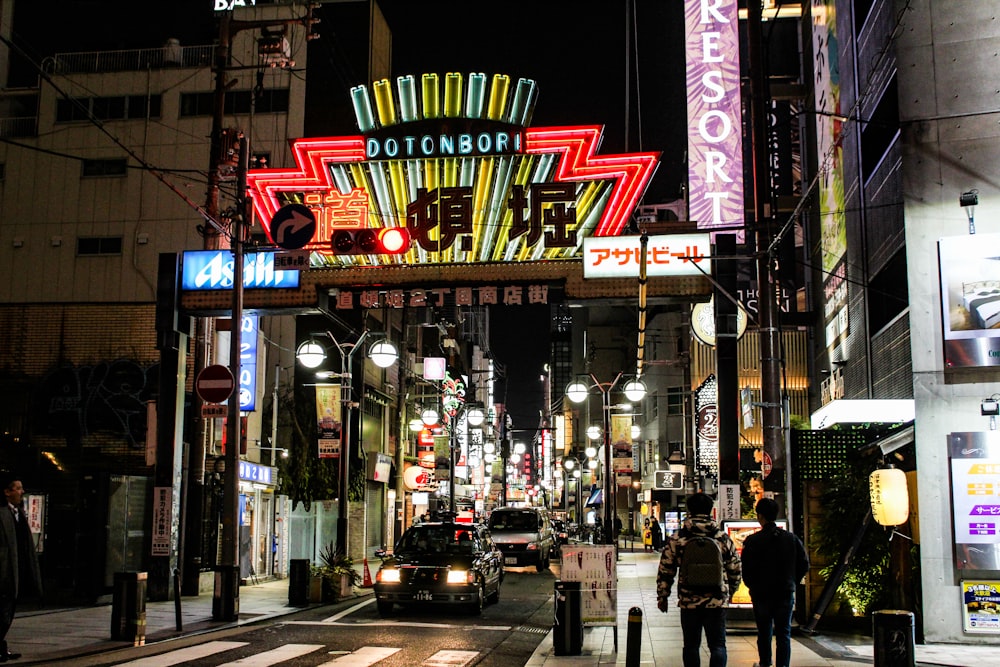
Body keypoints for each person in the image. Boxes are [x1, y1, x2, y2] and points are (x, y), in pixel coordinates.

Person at [656, 493, 741, 667]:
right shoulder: (721, 537)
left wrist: (663, 595)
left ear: (690, 510)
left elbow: (666, 568)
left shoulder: (679, 537)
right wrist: (731, 590)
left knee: (691, 645)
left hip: (689, 600)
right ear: (710, 510)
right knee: (717, 645)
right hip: (717, 600)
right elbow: (735, 567)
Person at [740, 498, 809, 667]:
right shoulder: (791, 539)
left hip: (761, 593)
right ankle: (783, 665)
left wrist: (752, 586)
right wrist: (792, 580)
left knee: (764, 631)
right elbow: (804, 563)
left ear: (760, 516)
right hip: (784, 591)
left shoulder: (752, 541)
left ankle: (765, 663)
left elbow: (746, 569)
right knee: (783, 632)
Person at [0, 476, 42, 661]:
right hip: (5, 571)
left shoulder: (18, 512)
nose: (21, 492)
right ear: (7, 492)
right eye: (17, 488)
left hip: (17, 570)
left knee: (9, 611)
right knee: (3, 612)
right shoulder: (2, 513)